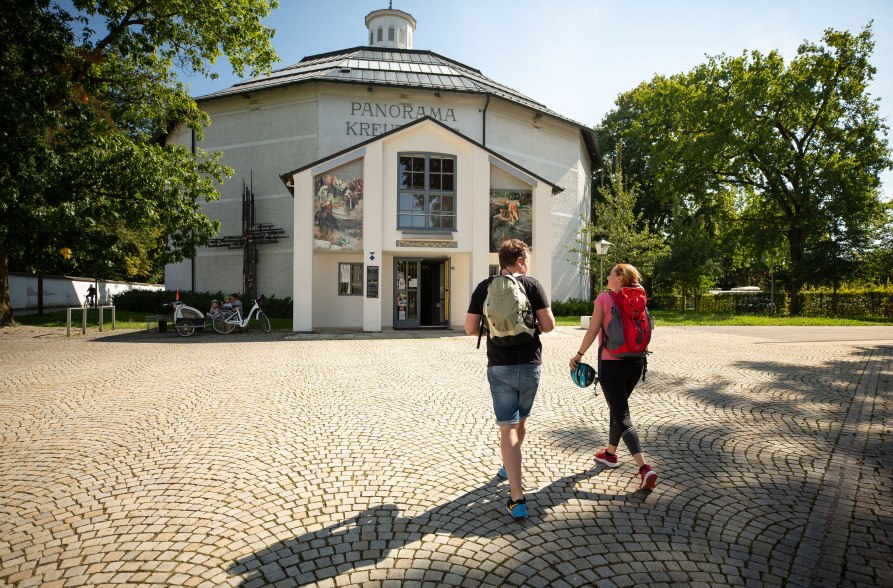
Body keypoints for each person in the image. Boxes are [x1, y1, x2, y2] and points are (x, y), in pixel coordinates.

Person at [465, 239, 555, 519]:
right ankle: (510, 466)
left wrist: (492, 325)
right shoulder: (532, 285)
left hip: (500, 366)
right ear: (518, 261)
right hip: (530, 365)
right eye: (525, 259)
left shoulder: (485, 287)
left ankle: (517, 499)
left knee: (508, 428)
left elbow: (469, 329)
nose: (527, 264)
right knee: (521, 422)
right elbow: (549, 325)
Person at [569, 263, 657, 490]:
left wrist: (579, 354)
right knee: (617, 409)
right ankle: (610, 453)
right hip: (636, 364)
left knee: (622, 415)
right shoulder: (639, 297)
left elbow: (592, 329)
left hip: (612, 364)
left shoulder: (604, 299)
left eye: (611, 273)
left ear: (619, 278)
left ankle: (644, 468)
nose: (607, 276)